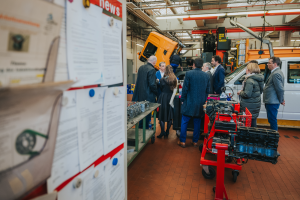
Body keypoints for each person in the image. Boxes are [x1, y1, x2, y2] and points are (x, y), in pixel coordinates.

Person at [178, 58, 210, 148]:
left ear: (194, 64)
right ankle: (195, 141)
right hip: (200, 103)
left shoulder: (189, 73)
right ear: (201, 65)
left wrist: (182, 99)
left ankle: (183, 141)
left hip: (189, 102)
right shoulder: (206, 75)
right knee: (197, 122)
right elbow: (208, 90)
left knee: (184, 121)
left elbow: (185, 89)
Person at [132, 56, 158, 129]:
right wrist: (157, 92)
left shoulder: (141, 68)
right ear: (154, 62)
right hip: (149, 96)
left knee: (141, 113)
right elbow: (152, 84)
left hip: (140, 95)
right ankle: (145, 130)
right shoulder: (152, 69)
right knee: (147, 113)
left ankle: (140, 128)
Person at [237, 63, 264, 127]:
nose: (246, 70)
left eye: (247, 69)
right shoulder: (257, 78)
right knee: (253, 122)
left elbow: (247, 94)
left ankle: (249, 136)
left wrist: (240, 92)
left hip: (249, 105)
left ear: (249, 70)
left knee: (248, 124)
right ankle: (253, 136)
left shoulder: (249, 80)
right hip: (255, 104)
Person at [263, 57, 285, 131]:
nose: (267, 64)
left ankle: (273, 138)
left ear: (275, 64)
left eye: (269, 63)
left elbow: (280, 88)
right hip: (271, 101)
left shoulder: (276, 74)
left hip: (272, 101)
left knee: (272, 120)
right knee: (272, 120)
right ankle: (273, 136)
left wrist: (281, 100)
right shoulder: (275, 72)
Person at [157, 65, 177, 139]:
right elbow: (175, 88)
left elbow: (161, 88)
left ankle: (162, 132)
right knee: (169, 115)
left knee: (162, 116)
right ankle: (167, 131)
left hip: (163, 97)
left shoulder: (162, 79)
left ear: (166, 70)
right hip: (171, 98)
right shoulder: (174, 79)